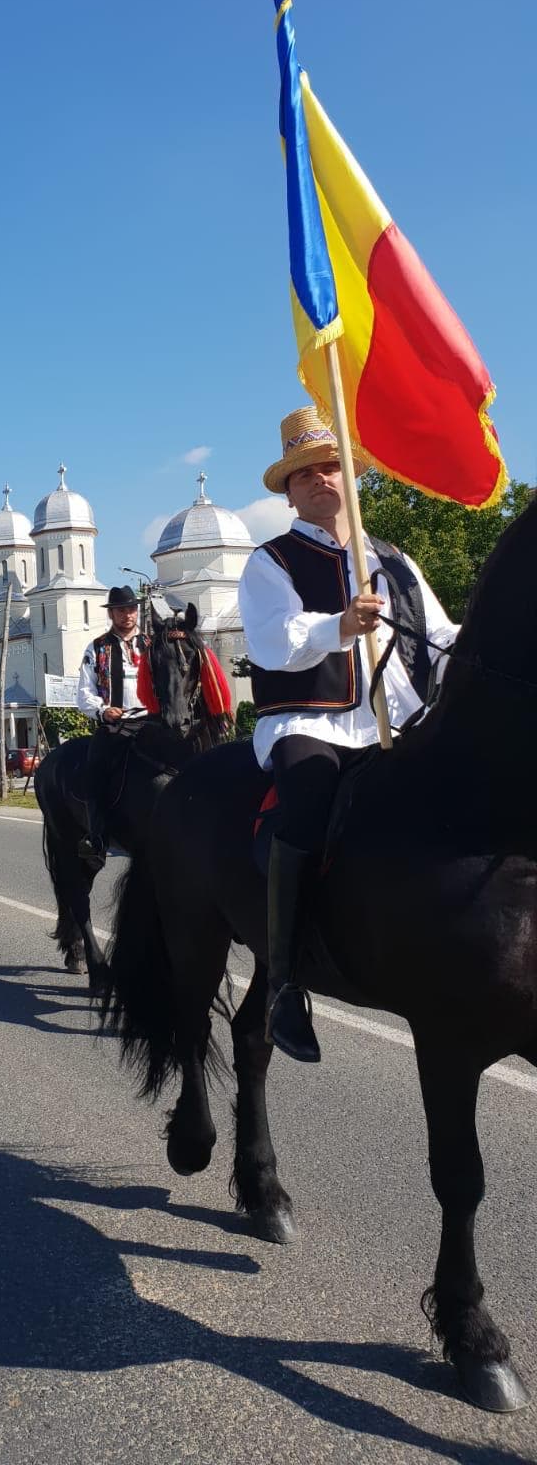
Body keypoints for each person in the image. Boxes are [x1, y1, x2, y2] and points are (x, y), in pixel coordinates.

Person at [238, 406, 458, 1063]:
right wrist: (339, 626)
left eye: (329, 465)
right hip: (311, 722)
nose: (319, 479)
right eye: (302, 473)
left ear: (349, 477)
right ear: (288, 491)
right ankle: (284, 984)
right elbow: (273, 642)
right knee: (305, 804)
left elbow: (442, 638)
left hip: (403, 722)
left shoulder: (394, 560)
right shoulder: (269, 561)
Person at [75, 584, 157, 870]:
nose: (128, 615)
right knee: (95, 766)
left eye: (132, 609)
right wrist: (102, 710)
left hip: (151, 722)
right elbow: (84, 692)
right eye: (121, 610)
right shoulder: (97, 647)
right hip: (116, 724)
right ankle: (97, 835)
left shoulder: (152, 644)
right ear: (111, 613)